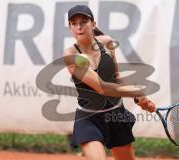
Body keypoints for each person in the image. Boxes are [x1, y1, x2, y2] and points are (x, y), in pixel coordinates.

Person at [63, 5, 155, 160]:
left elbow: (116, 77)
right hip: (89, 119)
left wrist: (138, 97)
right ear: (70, 27)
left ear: (93, 24)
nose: (79, 27)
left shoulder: (107, 43)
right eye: (74, 23)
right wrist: (137, 92)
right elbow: (102, 87)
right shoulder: (71, 56)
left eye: (84, 21)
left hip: (115, 114)